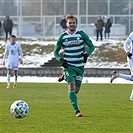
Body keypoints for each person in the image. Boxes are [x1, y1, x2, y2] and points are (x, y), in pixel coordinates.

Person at [54, 14, 95, 117]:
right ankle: (77, 111)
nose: (72, 25)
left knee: (76, 90)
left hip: (79, 67)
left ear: (76, 24)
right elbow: (55, 52)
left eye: (73, 23)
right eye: (70, 23)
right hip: (69, 66)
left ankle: (64, 76)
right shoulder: (63, 37)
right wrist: (60, 60)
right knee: (71, 86)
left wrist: (87, 54)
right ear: (66, 24)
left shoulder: (81, 35)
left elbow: (91, 46)